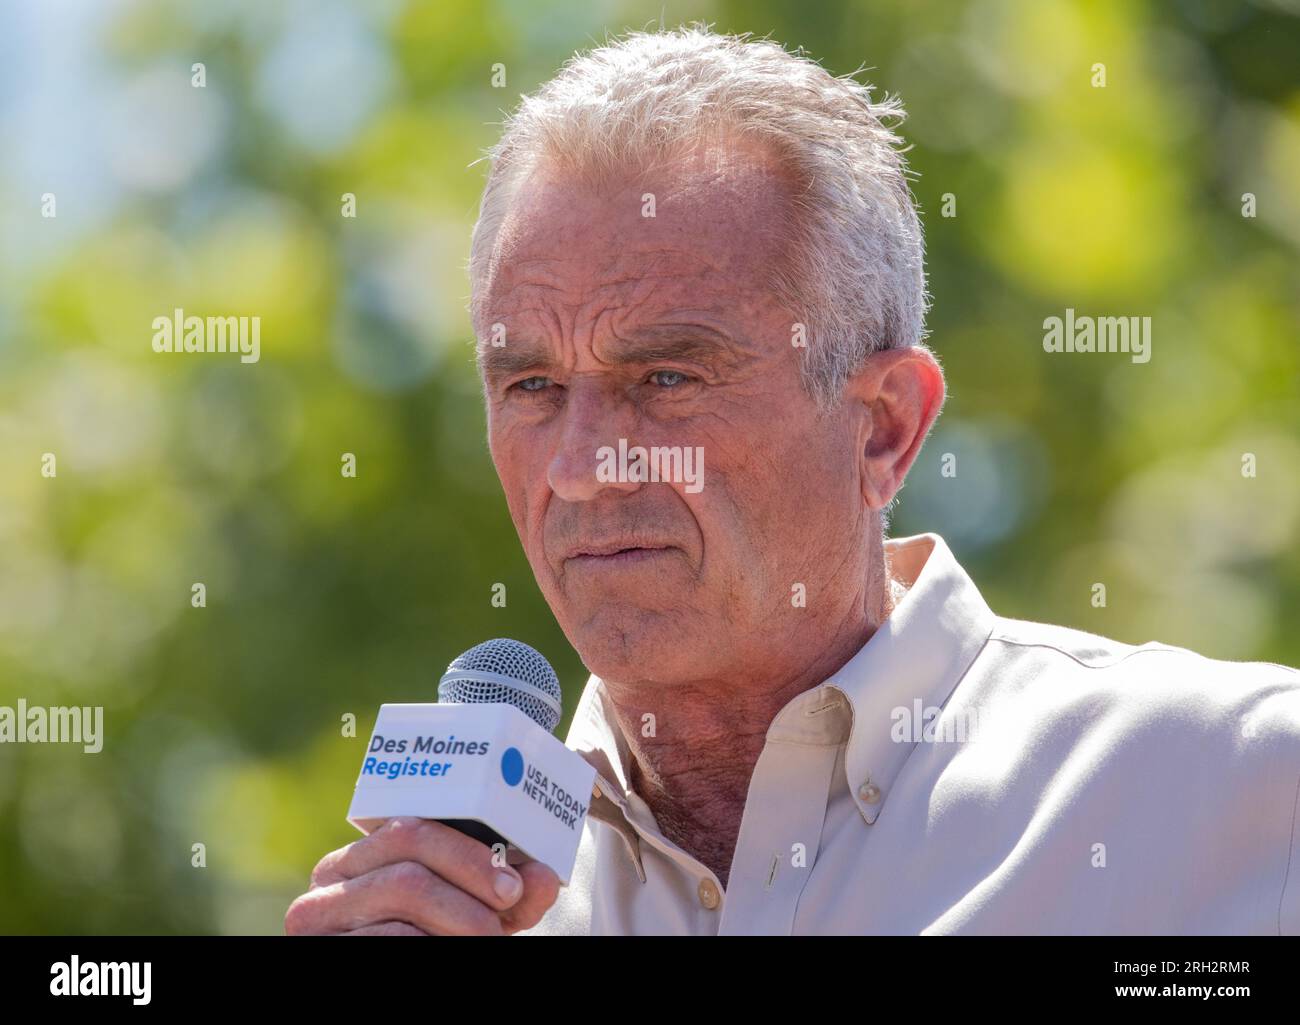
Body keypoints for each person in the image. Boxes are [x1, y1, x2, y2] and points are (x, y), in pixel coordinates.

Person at [285, 26, 1300, 936]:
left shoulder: (1239, 781)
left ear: (884, 428)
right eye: (534, 384)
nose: (583, 466)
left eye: (666, 377)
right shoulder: (451, 905)